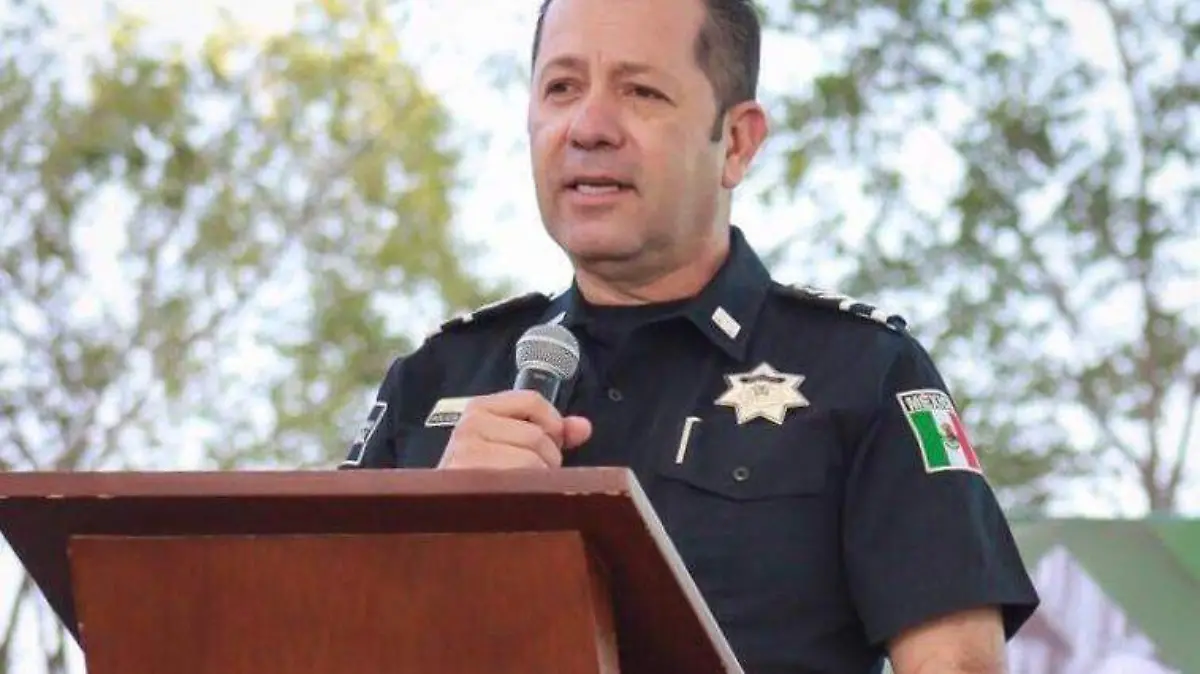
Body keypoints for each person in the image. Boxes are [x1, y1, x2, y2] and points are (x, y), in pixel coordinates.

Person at [339, 0, 1040, 671]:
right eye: (561, 88)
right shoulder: (435, 381)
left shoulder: (864, 371)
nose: (588, 127)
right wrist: (439, 533)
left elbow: (958, 666)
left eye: (641, 92)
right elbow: (316, 636)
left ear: (736, 142)